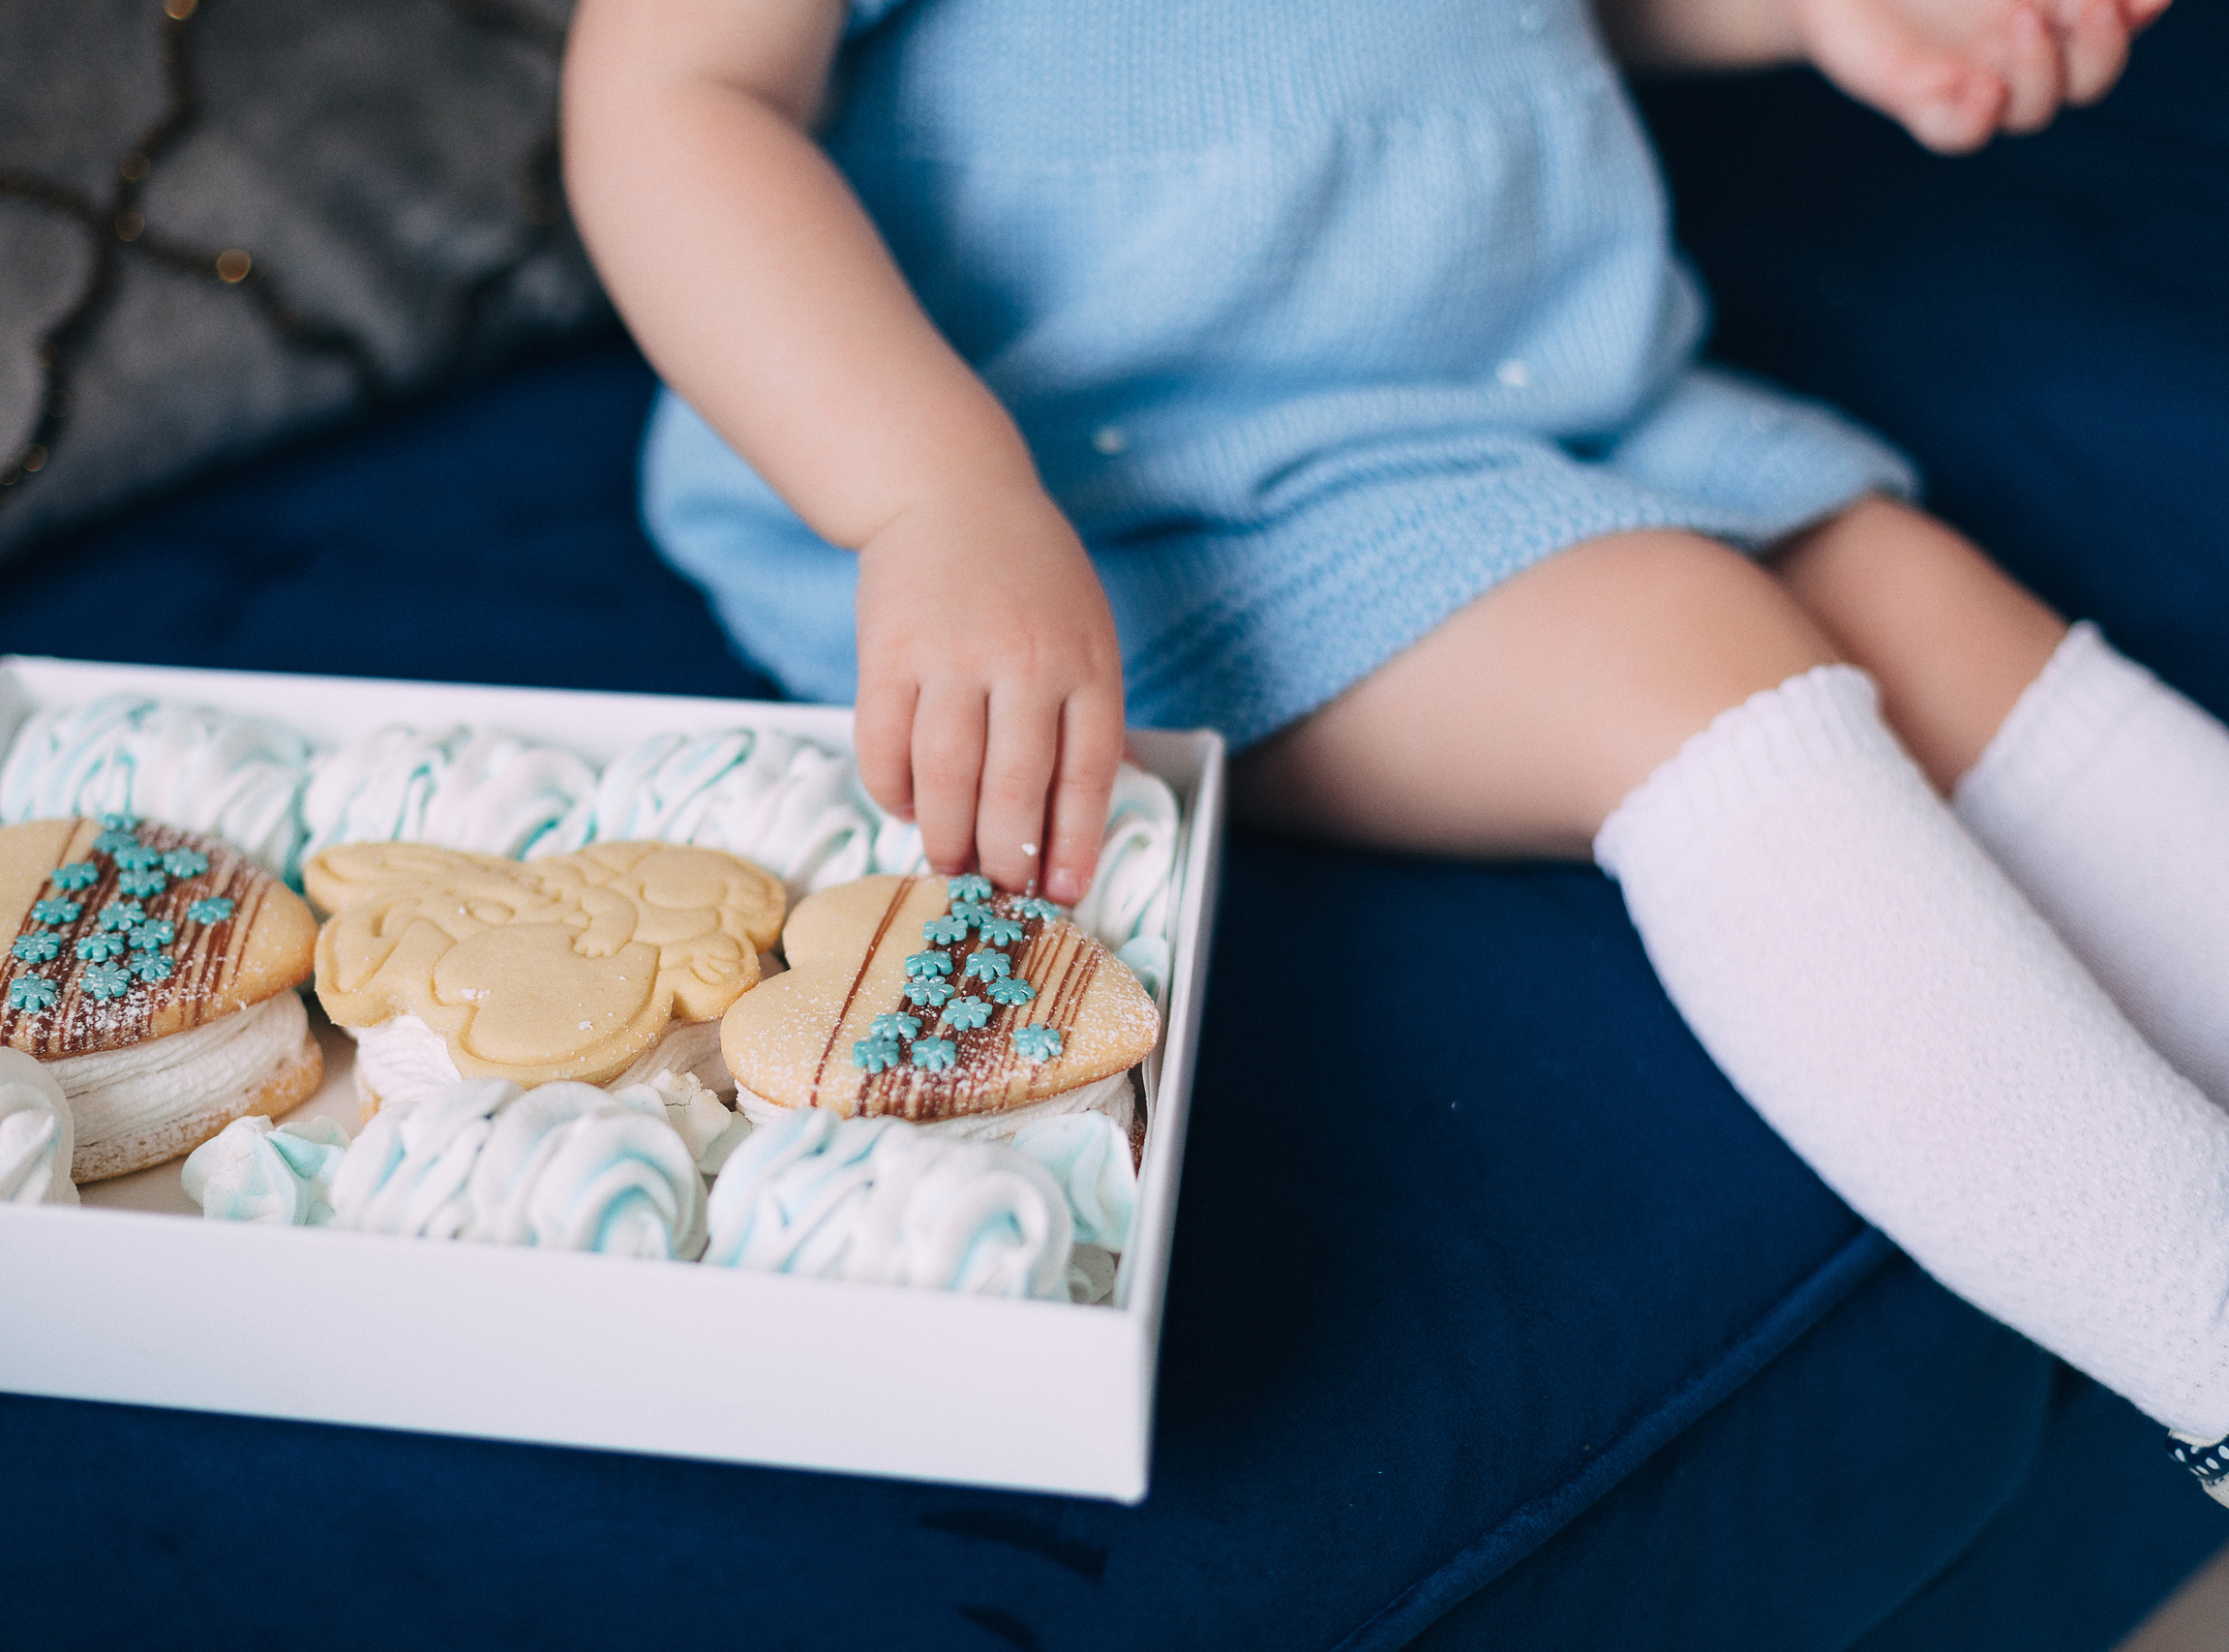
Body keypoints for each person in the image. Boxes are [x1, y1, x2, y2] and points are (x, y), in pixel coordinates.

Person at [562, 0, 2229, 1496]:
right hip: (1091, 490)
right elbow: (675, 95)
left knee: (1918, 604)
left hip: (1510, 384)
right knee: (1675, 650)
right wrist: (934, 495)